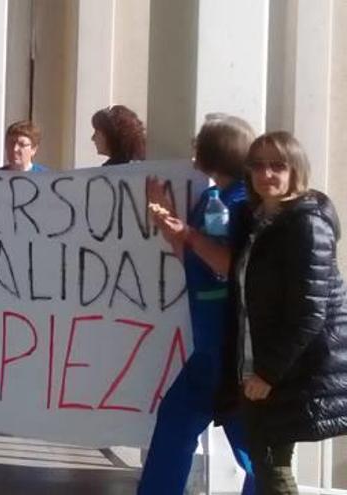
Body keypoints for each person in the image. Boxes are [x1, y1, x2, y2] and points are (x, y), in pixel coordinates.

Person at [223, 132, 347, 494]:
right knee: (267, 461)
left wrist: (267, 373)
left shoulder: (305, 224)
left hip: (293, 368)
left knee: (271, 466)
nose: (267, 174)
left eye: (278, 166)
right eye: (258, 165)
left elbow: (310, 311)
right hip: (263, 362)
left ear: (296, 171)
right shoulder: (259, 220)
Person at [140, 114, 256, 494]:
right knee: (176, 423)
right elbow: (191, 257)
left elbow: (229, 264)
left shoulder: (245, 203)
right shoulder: (212, 197)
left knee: (251, 446)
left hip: (235, 348)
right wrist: (165, 220)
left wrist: (184, 232)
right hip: (209, 347)